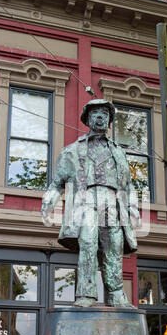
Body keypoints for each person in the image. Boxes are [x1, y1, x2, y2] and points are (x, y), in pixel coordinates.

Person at [41, 99, 140, 307]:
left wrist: (133, 207)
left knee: (113, 247)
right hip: (86, 202)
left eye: (105, 113)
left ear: (110, 119)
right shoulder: (72, 151)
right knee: (88, 243)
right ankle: (86, 294)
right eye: (96, 113)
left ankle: (115, 295)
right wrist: (49, 201)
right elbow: (57, 182)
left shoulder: (119, 152)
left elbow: (127, 185)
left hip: (112, 203)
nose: (100, 116)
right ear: (87, 118)